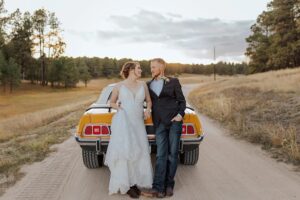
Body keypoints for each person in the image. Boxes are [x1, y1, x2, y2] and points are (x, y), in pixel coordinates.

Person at [104, 61, 153, 198]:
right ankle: (128, 185)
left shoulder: (143, 85)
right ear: (131, 70)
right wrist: (117, 106)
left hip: (138, 123)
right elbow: (111, 102)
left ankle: (136, 182)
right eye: (138, 68)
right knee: (126, 152)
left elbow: (148, 100)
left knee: (139, 151)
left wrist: (148, 109)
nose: (141, 70)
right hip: (124, 122)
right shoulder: (119, 86)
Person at [142, 58, 186, 198]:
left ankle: (168, 186)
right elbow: (142, 100)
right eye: (151, 67)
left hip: (174, 122)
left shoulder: (173, 81)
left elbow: (182, 101)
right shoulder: (148, 85)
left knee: (172, 155)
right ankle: (157, 188)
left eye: (153, 67)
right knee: (161, 155)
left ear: (161, 67)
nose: (151, 69)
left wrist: (180, 115)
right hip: (159, 123)